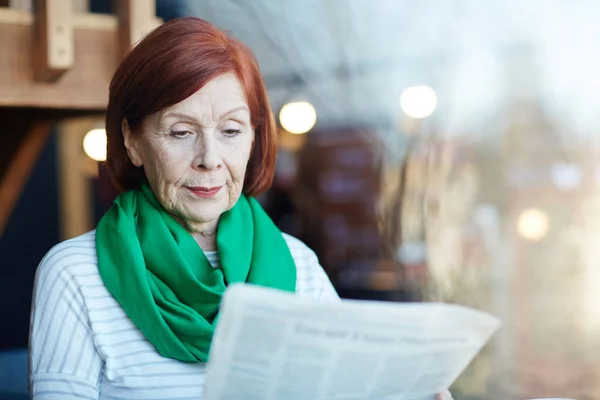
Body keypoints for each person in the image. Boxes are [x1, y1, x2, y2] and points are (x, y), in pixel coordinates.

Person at [28, 17, 452, 400]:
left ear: (252, 138)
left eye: (230, 130)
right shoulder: (74, 275)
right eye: (180, 132)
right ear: (133, 141)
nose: (210, 158)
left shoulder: (299, 267)